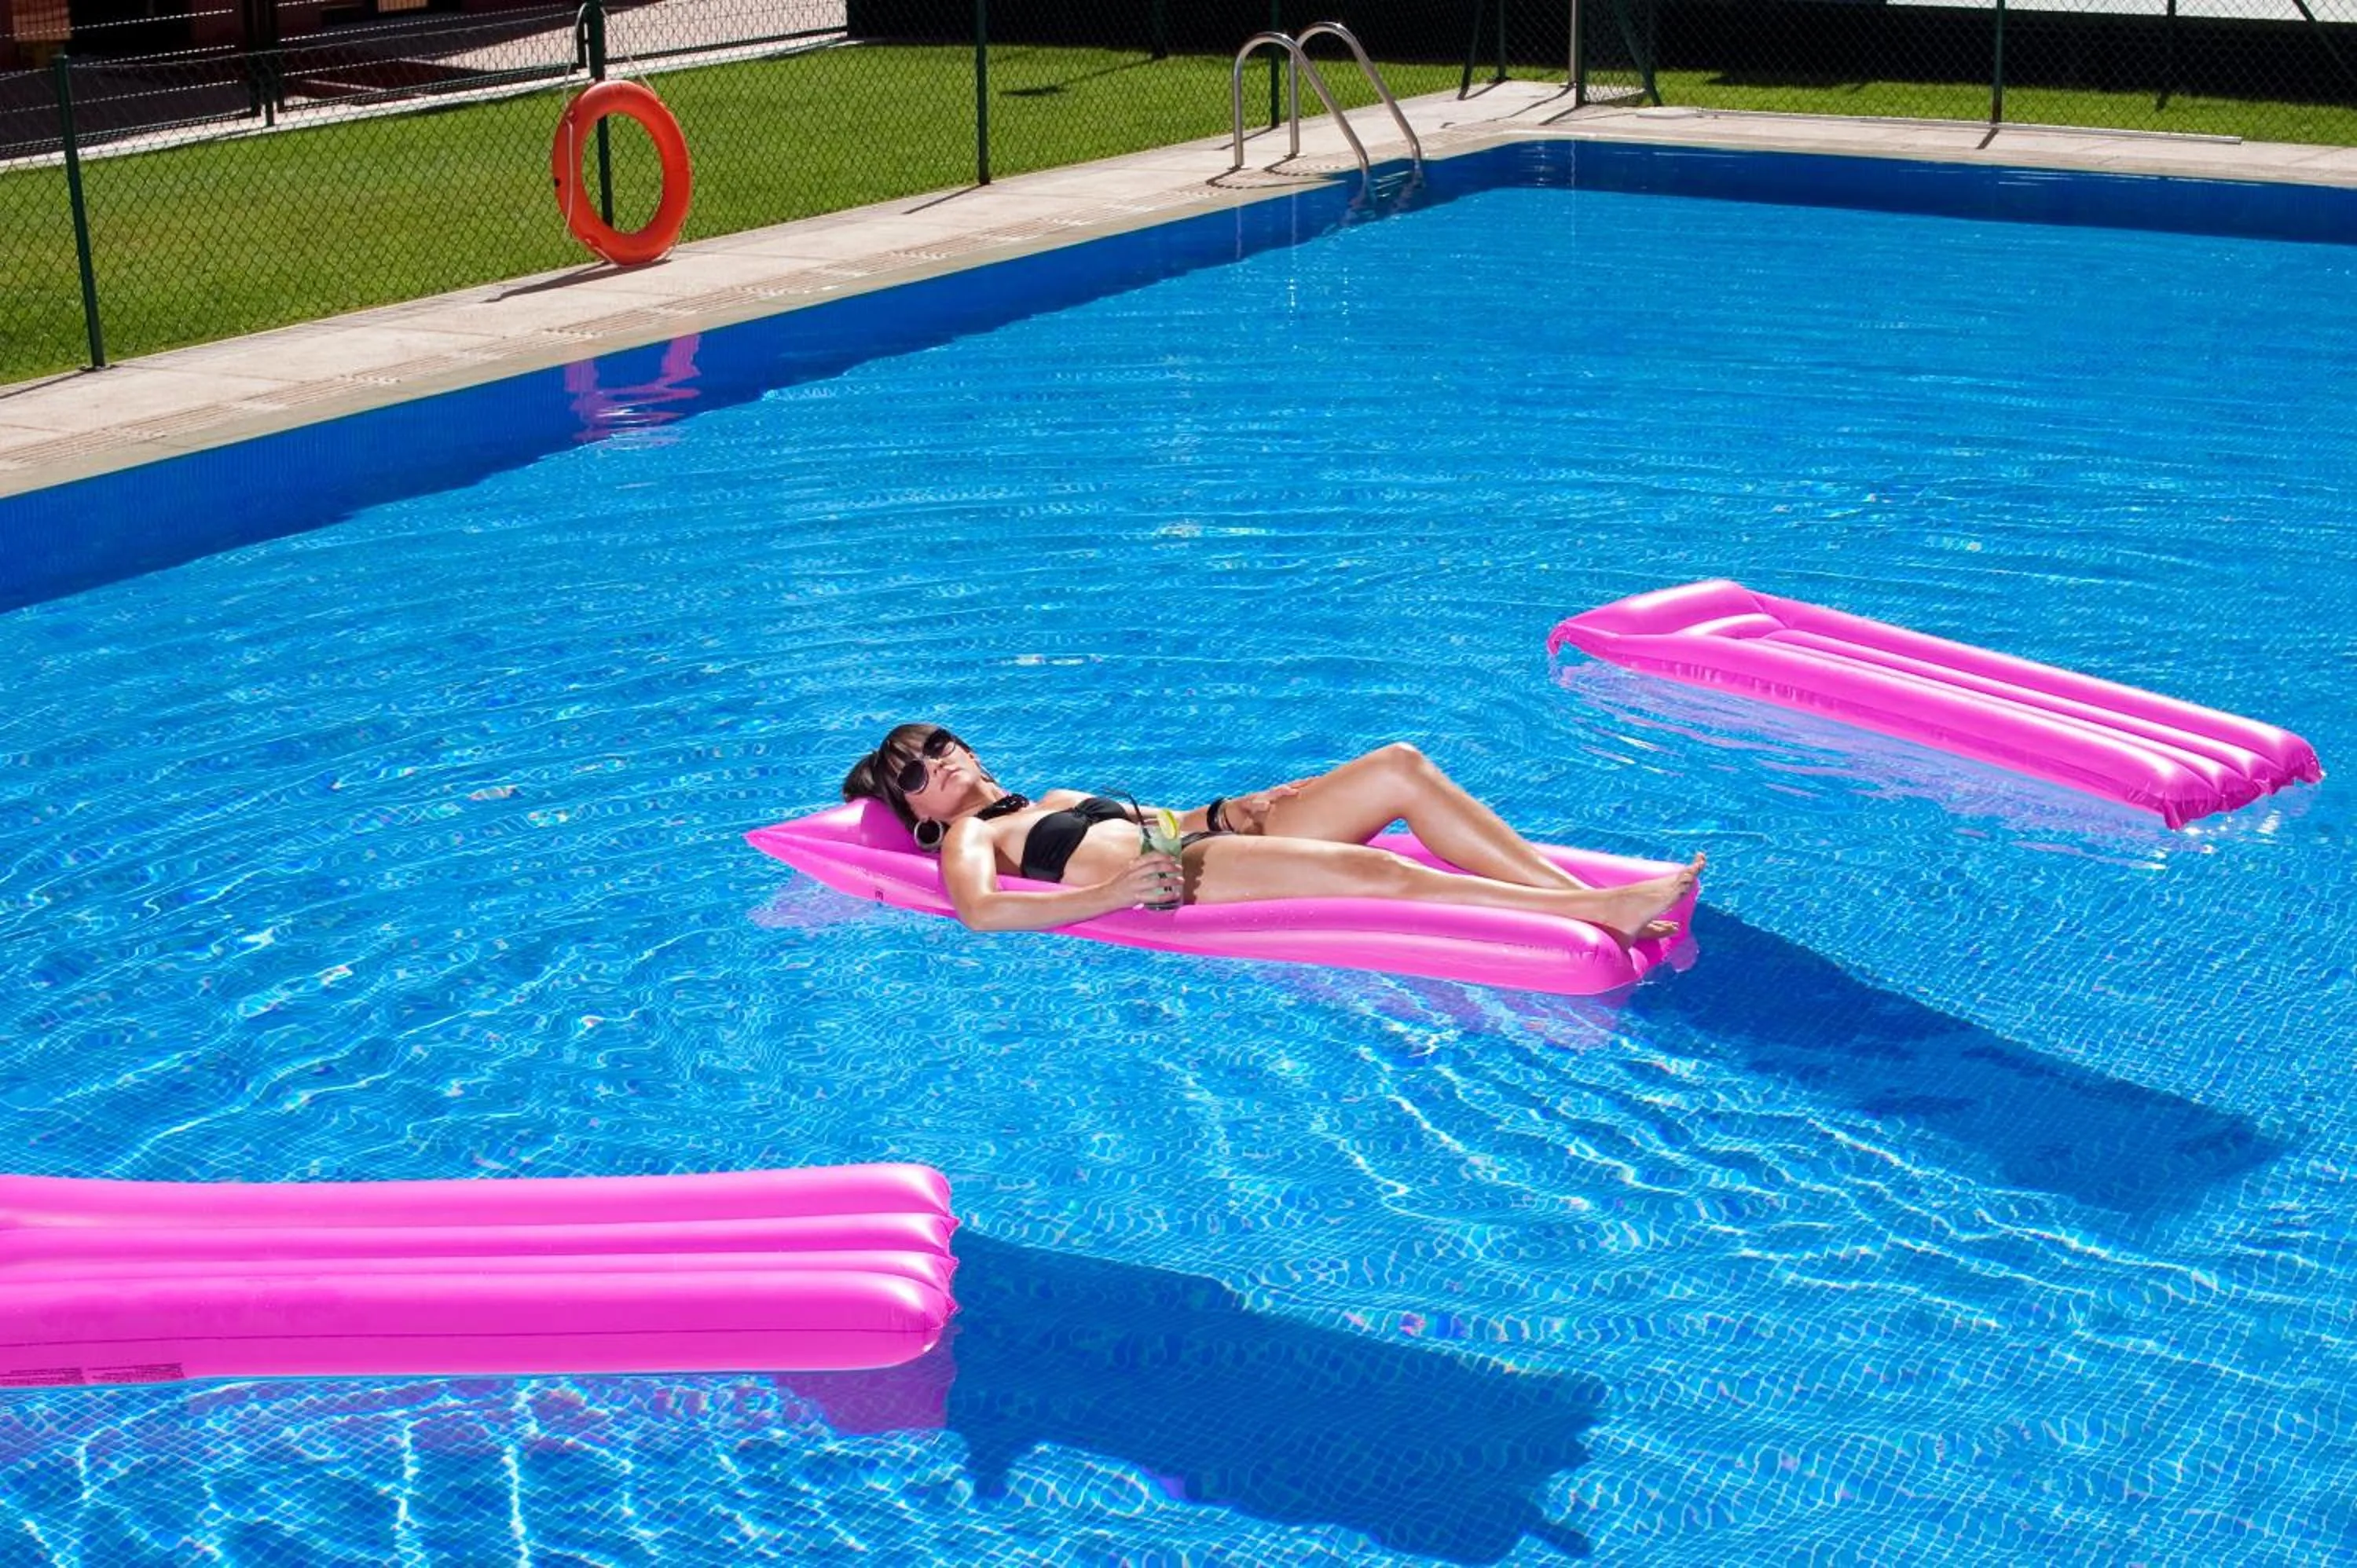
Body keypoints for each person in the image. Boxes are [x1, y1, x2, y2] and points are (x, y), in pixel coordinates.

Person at [841, 725, 1704, 945]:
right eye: (914, 776)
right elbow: (983, 916)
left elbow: (1170, 821)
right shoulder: (970, 839)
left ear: (968, 745)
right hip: (1188, 876)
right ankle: (1596, 909)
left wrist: (1238, 804)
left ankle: (1566, 893)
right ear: (919, 812)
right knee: (1375, 874)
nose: (937, 768)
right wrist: (1106, 894)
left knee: (1399, 765)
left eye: (937, 747)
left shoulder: (1057, 793)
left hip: (1202, 839)